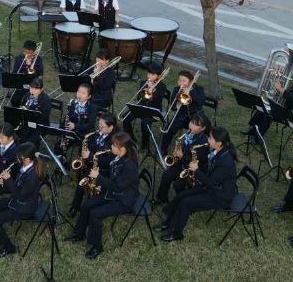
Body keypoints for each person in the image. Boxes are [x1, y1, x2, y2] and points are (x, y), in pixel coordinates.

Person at [66, 131, 139, 259]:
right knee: (87, 204)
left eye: (113, 145)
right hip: (113, 192)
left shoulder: (130, 167)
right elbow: (111, 173)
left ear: (122, 149)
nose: (111, 147)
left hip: (123, 200)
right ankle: (79, 234)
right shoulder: (118, 157)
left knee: (95, 213)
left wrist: (98, 177)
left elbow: (118, 186)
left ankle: (97, 246)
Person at [159, 126, 238, 242]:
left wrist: (196, 170)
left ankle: (177, 233)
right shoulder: (218, 151)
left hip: (220, 195)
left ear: (219, 143)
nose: (208, 140)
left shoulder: (226, 162)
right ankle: (168, 222)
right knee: (182, 195)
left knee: (186, 203)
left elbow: (211, 183)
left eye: (210, 139)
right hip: (211, 187)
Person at [0, 142, 41, 257]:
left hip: (24, 206)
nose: (17, 157)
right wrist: (4, 180)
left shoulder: (32, 176)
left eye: (19, 156)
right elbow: (18, 183)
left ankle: (9, 248)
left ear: (27, 159)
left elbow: (19, 195)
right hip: (17, 200)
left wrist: (8, 180)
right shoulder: (24, 166)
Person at [156, 112, 211, 205]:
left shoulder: (204, 143)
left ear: (203, 128)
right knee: (166, 175)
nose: (191, 126)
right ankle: (162, 198)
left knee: (178, 184)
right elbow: (184, 147)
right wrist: (178, 151)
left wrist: (182, 156)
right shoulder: (189, 133)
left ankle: (181, 202)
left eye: (196, 124)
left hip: (192, 170)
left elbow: (197, 162)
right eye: (191, 122)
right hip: (182, 163)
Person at [67, 109, 116, 216]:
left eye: (102, 126)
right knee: (81, 184)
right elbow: (89, 145)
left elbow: (109, 162)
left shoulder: (114, 142)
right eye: (99, 125)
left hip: (103, 171)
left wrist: (90, 156)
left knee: (91, 188)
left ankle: (91, 206)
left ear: (111, 127)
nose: (99, 128)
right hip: (91, 165)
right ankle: (75, 205)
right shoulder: (97, 133)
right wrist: (83, 151)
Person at [120, 65, 169, 145]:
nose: (149, 76)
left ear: (158, 76)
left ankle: (145, 144)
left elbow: (157, 101)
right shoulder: (144, 82)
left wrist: (151, 91)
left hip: (153, 109)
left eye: (153, 74)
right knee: (126, 119)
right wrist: (143, 91)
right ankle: (130, 138)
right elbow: (138, 97)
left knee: (145, 123)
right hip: (141, 106)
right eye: (149, 73)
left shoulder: (162, 86)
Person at [161, 70, 205, 154]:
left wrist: (190, 92)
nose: (181, 83)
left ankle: (192, 152)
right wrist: (177, 98)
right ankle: (163, 149)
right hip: (181, 117)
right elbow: (173, 108)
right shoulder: (177, 89)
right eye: (179, 80)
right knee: (168, 129)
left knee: (199, 133)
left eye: (184, 81)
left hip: (194, 117)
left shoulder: (199, 89)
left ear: (191, 81)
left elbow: (201, 102)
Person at [9, 40, 43, 106]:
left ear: (34, 52)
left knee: (28, 103)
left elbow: (39, 74)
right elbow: (15, 72)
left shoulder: (38, 60)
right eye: (25, 52)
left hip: (33, 86)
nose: (26, 55)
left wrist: (29, 65)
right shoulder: (18, 58)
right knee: (14, 100)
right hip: (21, 85)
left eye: (29, 53)